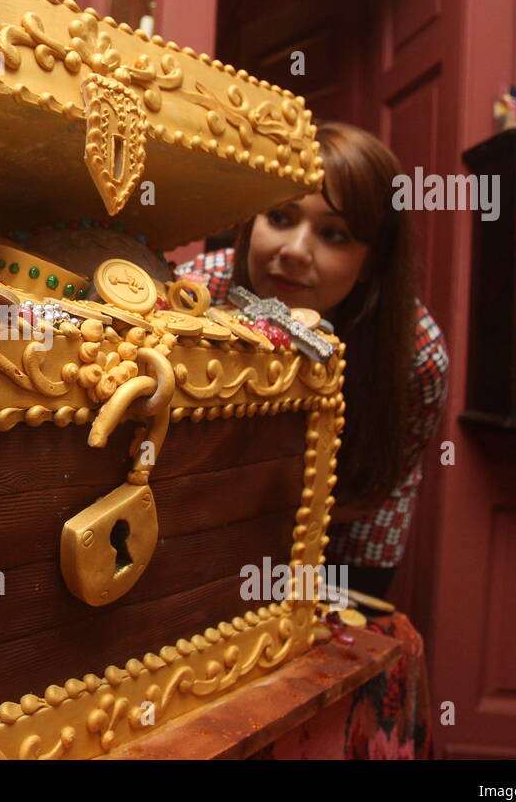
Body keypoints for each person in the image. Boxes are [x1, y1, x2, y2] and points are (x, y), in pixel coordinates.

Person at [175, 122, 449, 599]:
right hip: (210, 510)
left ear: (373, 263)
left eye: (334, 234)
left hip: (345, 524)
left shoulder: (416, 355)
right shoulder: (197, 291)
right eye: (281, 217)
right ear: (248, 221)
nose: (295, 252)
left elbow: (373, 488)